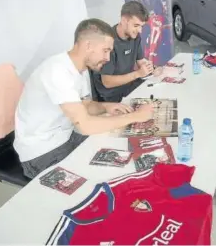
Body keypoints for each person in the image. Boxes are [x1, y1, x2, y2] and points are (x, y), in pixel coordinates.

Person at [14, 18, 154, 179]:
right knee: (105, 177)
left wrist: (106, 107)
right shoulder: (57, 71)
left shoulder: (80, 69)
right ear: (88, 46)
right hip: (42, 152)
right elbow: (86, 124)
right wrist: (135, 116)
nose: (108, 58)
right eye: (106, 50)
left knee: (121, 149)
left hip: (66, 137)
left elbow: (85, 104)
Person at [92, 1, 162, 103]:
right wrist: (138, 74)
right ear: (124, 21)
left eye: (141, 26)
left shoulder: (135, 36)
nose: (140, 30)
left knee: (160, 94)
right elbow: (107, 82)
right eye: (136, 25)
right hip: (112, 94)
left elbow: (141, 61)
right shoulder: (109, 42)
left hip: (129, 85)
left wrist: (151, 68)